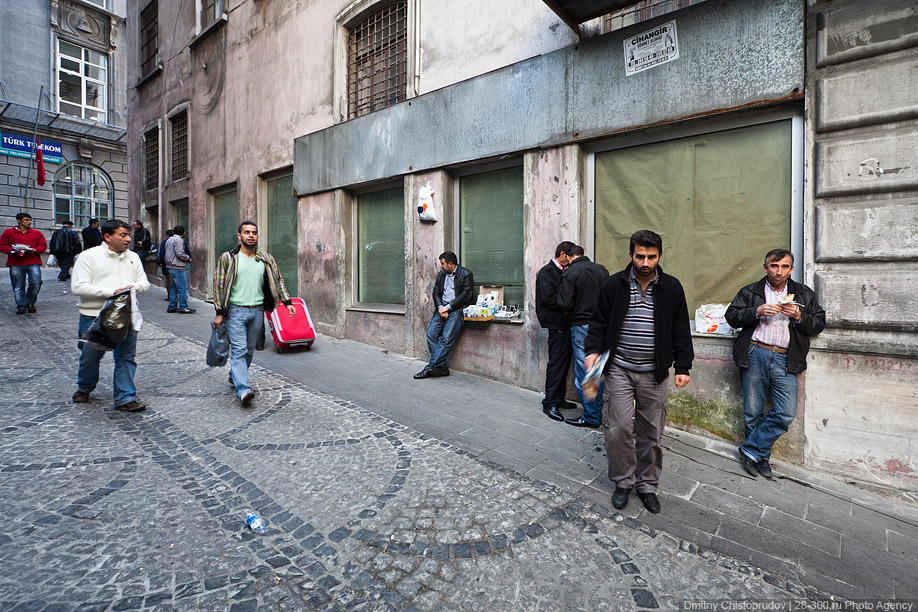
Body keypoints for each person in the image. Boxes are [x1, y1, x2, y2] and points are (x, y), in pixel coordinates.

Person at [584, 230, 694, 514]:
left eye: (652, 256)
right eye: (640, 256)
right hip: (619, 368)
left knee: (651, 432)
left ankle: (647, 485)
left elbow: (680, 328)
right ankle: (623, 482)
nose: (646, 262)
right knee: (618, 428)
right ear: (631, 255)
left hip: (655, 373)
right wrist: (593, 353)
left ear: (659, 256)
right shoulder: (613, 285)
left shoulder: (671, 287)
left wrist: (683, 366)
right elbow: (598, 323)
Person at [725, 249, 826, 479]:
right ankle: (761, 458)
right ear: (766, 267)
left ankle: (750, 451)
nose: (779, 271)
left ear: (791, 269)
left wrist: (799, 316)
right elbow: (731, 316)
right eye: (774, 266)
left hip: (785, 357)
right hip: (755, 352)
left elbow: (819, 323)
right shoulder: (751, 291)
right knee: (753, 411)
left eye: (784, 267)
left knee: (785, 412)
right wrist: (756, 311)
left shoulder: (803, 294)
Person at [70, 219, 150, 411]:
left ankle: (125, 397)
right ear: (107, 237)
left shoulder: (133, 257)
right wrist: (114, 292)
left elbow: (144, 282)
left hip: (126, 314)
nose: (128, 239)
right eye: (123, 235)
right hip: (94, 315)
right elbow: (78, 287)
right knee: (90, 356)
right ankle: (85, 386)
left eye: (129, 235)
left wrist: (134, 287)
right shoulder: (88, 256)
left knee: (126, 356)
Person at [213, 221, 295, 406]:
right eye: (247, 232)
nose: (251, 235)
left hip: (257, 310)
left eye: (254, 233)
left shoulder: (266, 258)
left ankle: (234, 375)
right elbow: (218, 285)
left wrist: (287, 301)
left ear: (257, 236)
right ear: (239, 236)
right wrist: (219, 311)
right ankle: (243, 390)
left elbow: (278, 280)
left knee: (249, 350)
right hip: (235, 311)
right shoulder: (229, 258)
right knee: (240, 349)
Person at [556, 245, 609, 428]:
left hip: (581, 326)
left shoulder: (570, 273)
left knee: (585, 374)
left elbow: (564, 302)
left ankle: (591, 416)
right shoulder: (602, 269)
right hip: (602, 326)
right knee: (598, 371)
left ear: (569, 257)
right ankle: (600, 413)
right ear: (583, 254)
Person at [414, 251, 474, 379]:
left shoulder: (466, 274)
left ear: (450, 264)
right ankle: (441, 368)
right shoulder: (442, 274)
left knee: (447, 339)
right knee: (431, 333)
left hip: (456, 310)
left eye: (442, 263)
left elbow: (466, 296)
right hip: (442, 309)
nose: (440, 266)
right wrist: (441, 308)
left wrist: (448, 308)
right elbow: (436, 292)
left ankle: (430, 368)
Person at [535, 241, 577, 421]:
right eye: (569, 258)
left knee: (564, 361)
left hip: (564, 322)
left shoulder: (564, 271)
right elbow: (548, 299)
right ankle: (549, 402)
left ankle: (559, 398)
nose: (570, 262)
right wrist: (568, 305)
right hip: (555, 322)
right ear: (562, 255)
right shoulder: (547, 272)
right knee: (556, 362)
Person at [0, 212, 47, 314]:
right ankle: (21, 305)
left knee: (36, 282)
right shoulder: (8, 232)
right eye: (26, 220)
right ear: (19, 221)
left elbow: (43, 246)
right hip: (15, 262)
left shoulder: (36, 233)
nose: (29, 222)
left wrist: (35, 250)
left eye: (30, 220)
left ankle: (30, 302)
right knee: (18, 285)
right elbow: (2, 246)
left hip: (33, 261)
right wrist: (12, 250)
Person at [164, 225, 195, 313]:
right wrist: (187, 258)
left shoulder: (169, 240)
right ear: (183, 233)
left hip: (170, 266)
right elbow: (180, 253)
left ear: (174, 232)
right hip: (177, 266)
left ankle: (172, 306)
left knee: (174, 287)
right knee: (183, 288)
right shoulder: (179, 240)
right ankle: (183, 307)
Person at [156, 229, 174, 298]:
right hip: (177, 265)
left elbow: (161, 254)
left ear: (167, 235)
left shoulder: (164, 242)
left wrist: (159, 261)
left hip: (167, 265)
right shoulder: (179, 241)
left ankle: (170, 296)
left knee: (168, 281)